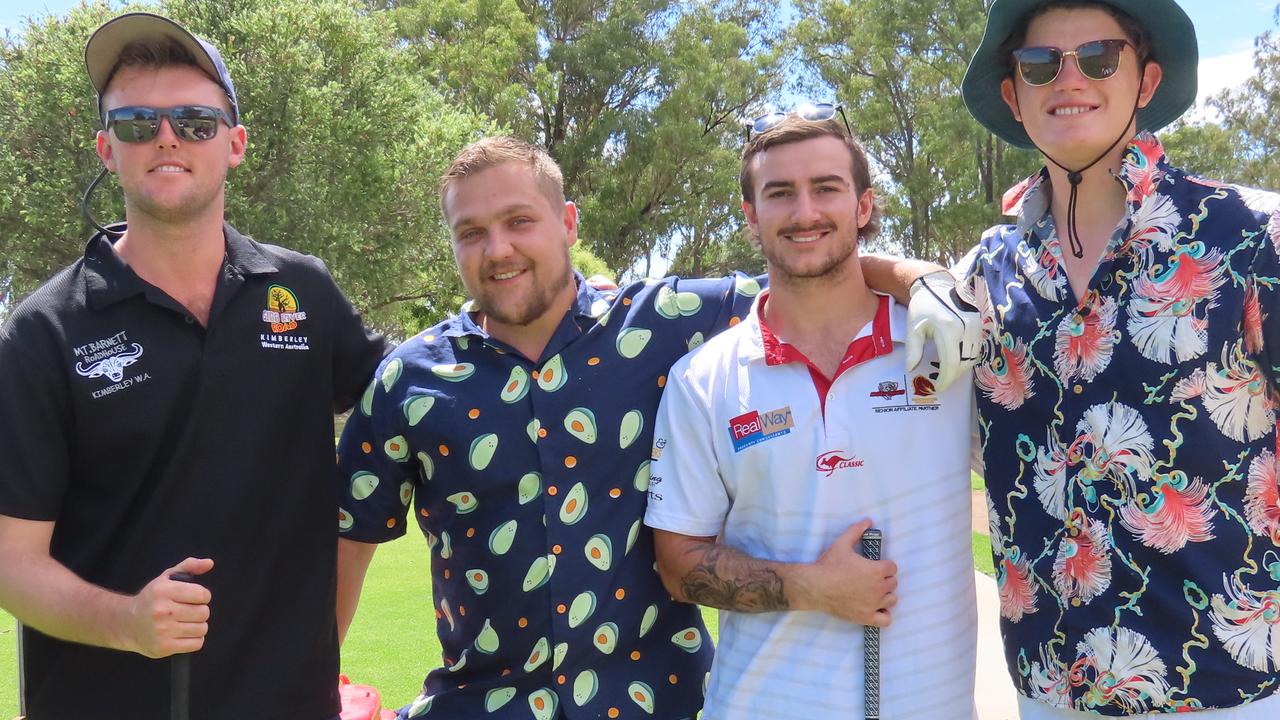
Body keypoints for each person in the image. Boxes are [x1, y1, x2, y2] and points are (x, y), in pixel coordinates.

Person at [333, 133, 974, 718]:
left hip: (654, 704)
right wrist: (310, 688)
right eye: (470, 232)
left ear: (566, 222)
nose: (498, 249)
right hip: (479, 706)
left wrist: (921, 282)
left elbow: (810, 262)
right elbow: (345, 542)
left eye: (518, 221)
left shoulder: (664, 323)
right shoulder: (407, 381)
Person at [0, 13, 386, 719]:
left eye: (196, 122)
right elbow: (11, 563)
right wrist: (127, 621)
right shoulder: (43, 331)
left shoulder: (305, 296)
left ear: (235, 144)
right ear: (106, 149)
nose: (167, 138)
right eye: (138, 123)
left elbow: (420, 397)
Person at [954, 0, 1280, 716]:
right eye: (1041, 65)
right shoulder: (986, 272)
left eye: (1098, 58)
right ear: (1014, 94)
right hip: (1045, 689)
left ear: (1147, 79)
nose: (1069, 79)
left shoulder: (1251, 236)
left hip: (1220, 690)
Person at [642, 114, 977, 719]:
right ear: (750, 215)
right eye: (779, 193)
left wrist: (922, 275)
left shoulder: (943, 343)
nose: (804, 212)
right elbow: (677, 564)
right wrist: (810, 587)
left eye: (826, 188)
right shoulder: (705, 378)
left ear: (863, 205)